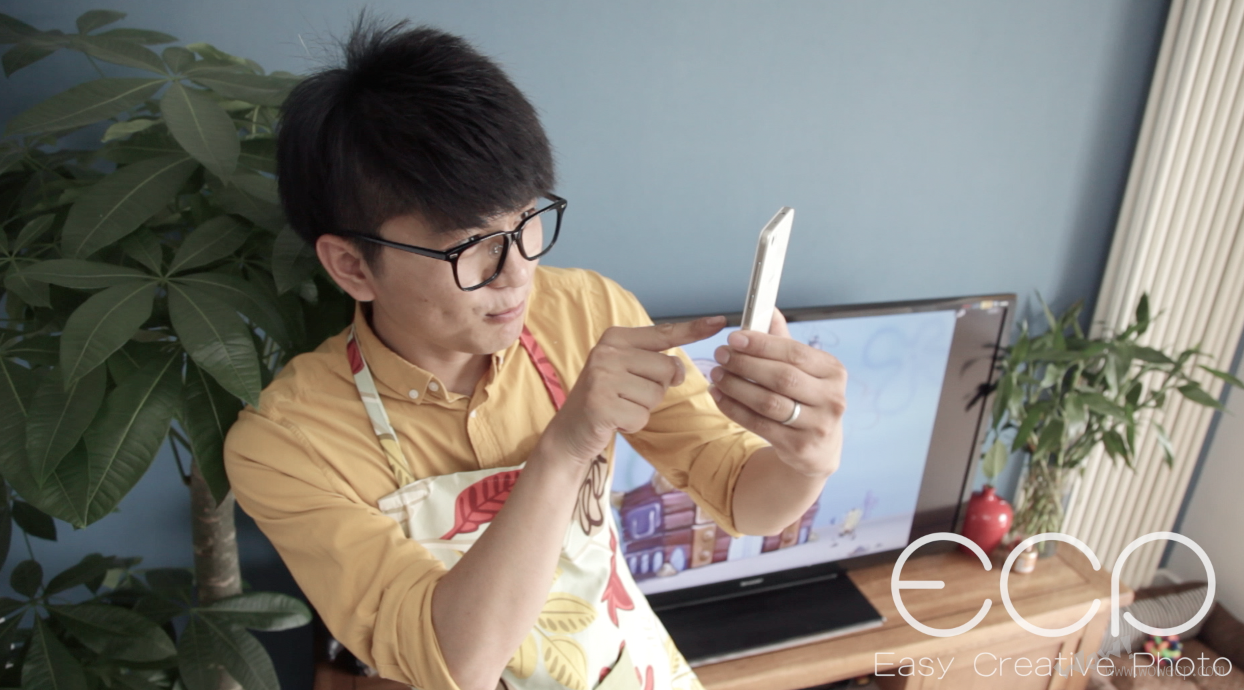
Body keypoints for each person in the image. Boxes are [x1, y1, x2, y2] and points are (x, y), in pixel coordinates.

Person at [223, 15, 846, 690]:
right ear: (352, 266)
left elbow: (743, 499)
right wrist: (566, 447)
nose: (519, 272)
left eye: (527, 221)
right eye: (472, 246)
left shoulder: (587, 311)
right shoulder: (287, 444)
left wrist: (808, 456)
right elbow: (452, 662)